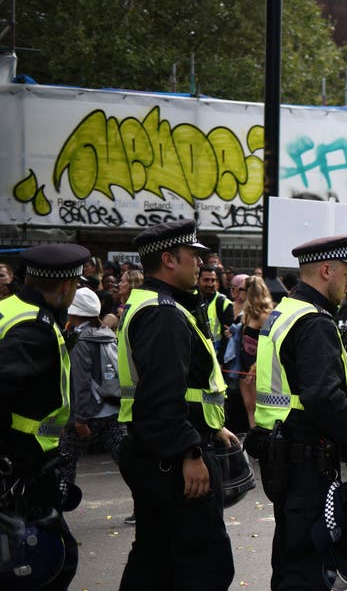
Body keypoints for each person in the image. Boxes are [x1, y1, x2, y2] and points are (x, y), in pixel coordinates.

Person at [116, 220, 236, 589]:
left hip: (152, 451)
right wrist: (190, 452)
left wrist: (213, 425)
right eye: (193, 256)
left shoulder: (150, 303)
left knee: (155, 561)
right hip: (170, 460)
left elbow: (183, 386)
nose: (201, 265)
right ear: (169, 259)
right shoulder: (164, 313)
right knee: (204, 567)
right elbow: (162, 395)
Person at [250, 235, 347, 589]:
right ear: (326, 270)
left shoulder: (286, 310)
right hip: (306, 458)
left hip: (283, 452)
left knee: (289, 559)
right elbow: (322, 397)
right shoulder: (314, 320)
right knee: (308, 568)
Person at [0, 243, 90, 590]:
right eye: (77, 284)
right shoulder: (34, 328)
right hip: (23, 465)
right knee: (43, 564)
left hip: (24, 464)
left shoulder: (10, 307)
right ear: (65, 286)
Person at [59, 286, 126, 487]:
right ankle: (148, 505)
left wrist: (80, 418)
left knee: (65, 462)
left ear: (75, 311)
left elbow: (81, 381)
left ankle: (57, 509)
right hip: (111, 408)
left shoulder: (79, 339)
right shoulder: (106, 333)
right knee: (127, 462)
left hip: (88, 413)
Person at [236, 276, 274, 429]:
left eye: (241, 290)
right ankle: (253, 443)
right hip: (243, 367)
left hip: (256, 368)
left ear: (250, 292)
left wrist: (255, 366)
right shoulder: (247, 313)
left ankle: (259, 444)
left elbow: (271, 345)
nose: (239, 293)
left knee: (258, 409)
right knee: (249, 407)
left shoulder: (266, 315)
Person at [198, 264, 234, 366]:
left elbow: (227, 336)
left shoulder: (224, 303)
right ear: (198, 280)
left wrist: (220, 361)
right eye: (206, 280)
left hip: (215, 358)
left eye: (213, 280)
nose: (210, 284)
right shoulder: (190, 300)